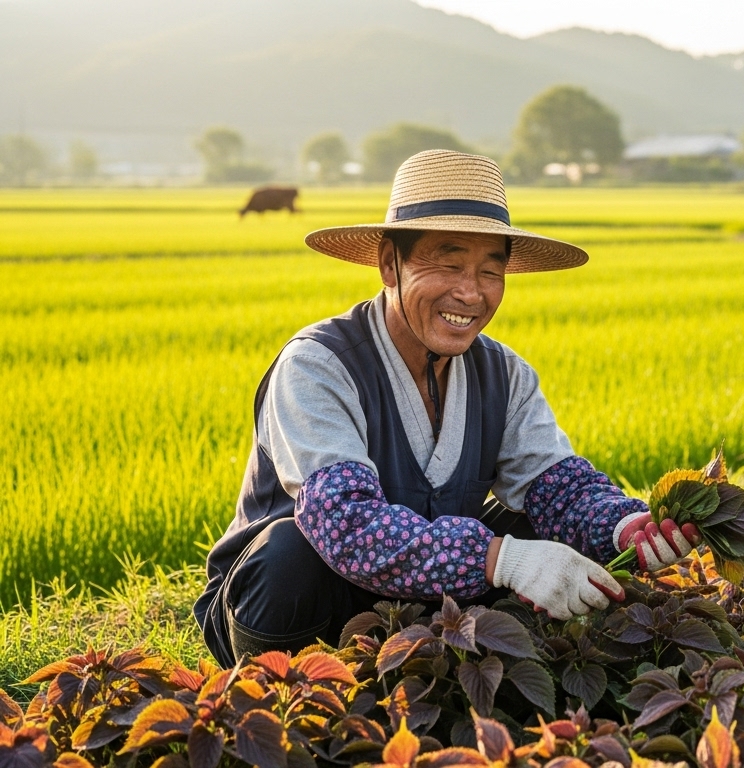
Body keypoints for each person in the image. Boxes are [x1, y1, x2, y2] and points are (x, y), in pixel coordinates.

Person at [194, 150, 700, 667]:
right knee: (289, 552)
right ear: (390, 263)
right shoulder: (319, 366)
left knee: (550, 527)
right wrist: (500, 559)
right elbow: (344, 524)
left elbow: (556, 483)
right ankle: (288, 690)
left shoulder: (505, 374)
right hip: (303, 602)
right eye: (449, 264)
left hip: (418, 602)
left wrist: (625, 527)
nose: (471, 293)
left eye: (490, 271)